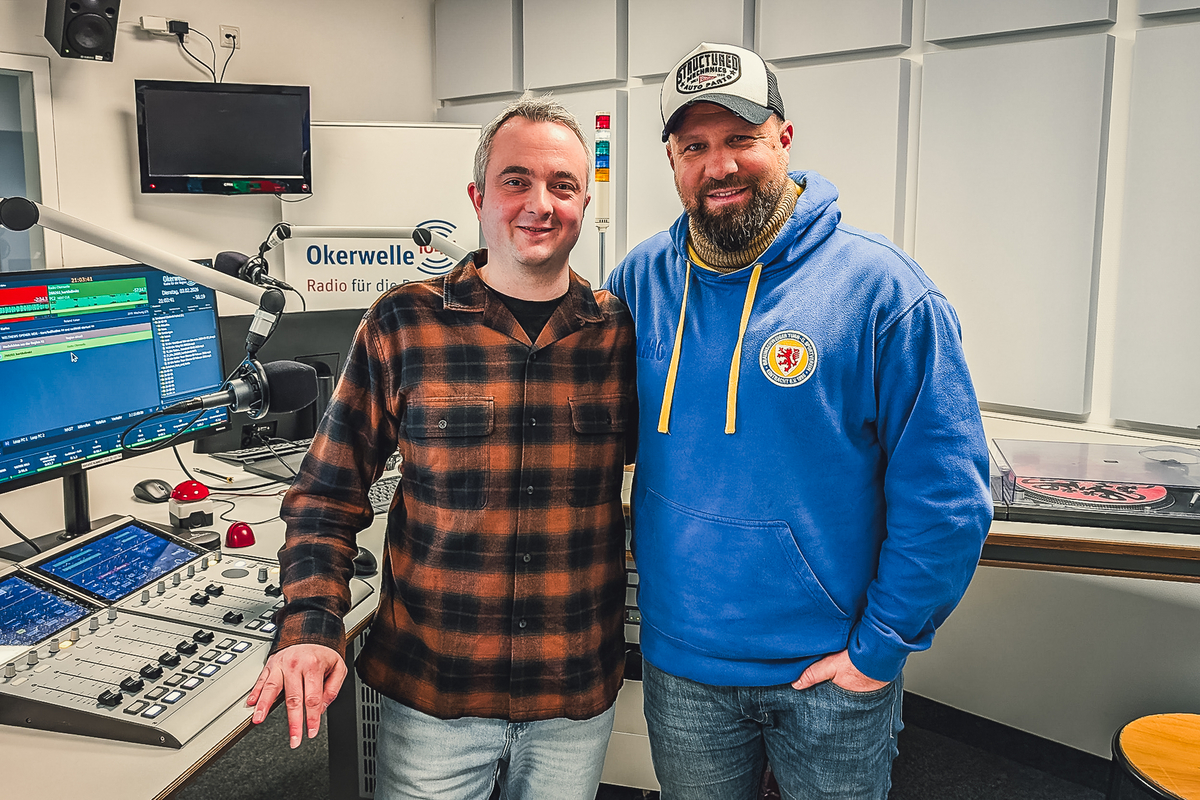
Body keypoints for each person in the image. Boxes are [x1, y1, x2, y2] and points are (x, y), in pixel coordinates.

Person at [603, 42, 993, 799]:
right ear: (673, 160)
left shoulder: (884, 293)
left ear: (783, 138)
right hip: (682, 669)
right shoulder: (640, 281)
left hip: (831, 673)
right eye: (694, 147)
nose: (719, 166)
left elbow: (946, 497)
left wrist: (880, 650)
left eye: (740, 139)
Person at [247, 94, 636, 800]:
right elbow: (327, 495)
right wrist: (309, 624)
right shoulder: (403, 321)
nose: (539, 204)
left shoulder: (617, 334)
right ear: (478, 197)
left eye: (563, 185)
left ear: (584, 202)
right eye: (516, 180)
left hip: (571, 693)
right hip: (435, 693)